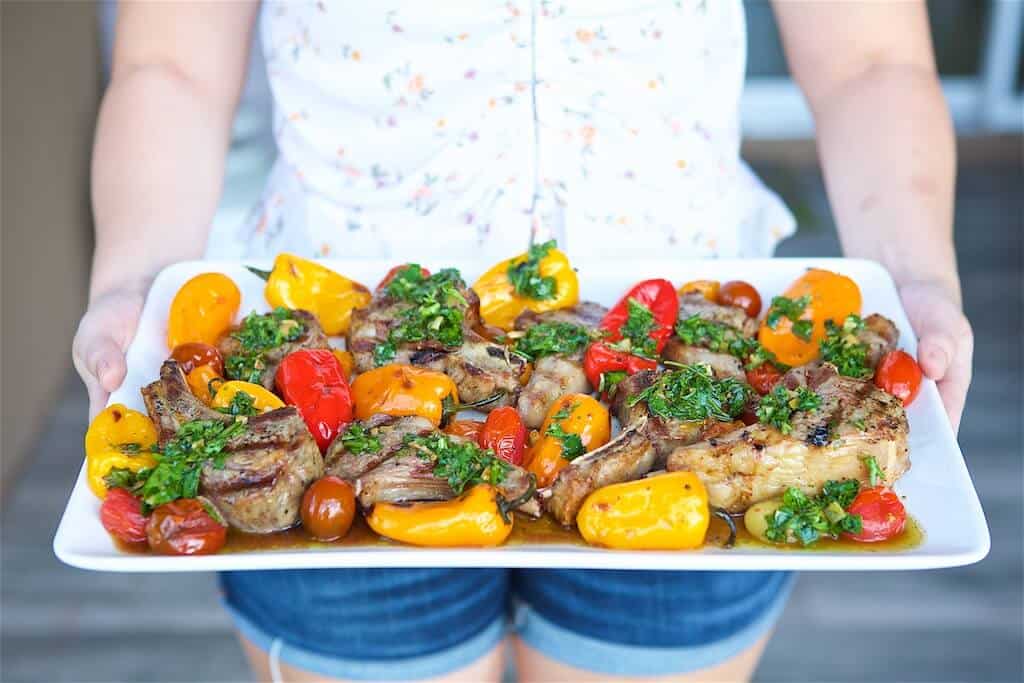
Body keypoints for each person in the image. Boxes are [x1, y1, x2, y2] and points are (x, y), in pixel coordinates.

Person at [73, 2, 973, 681]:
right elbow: (170, 64)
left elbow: (871, 61)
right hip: (332, 385)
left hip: (706, 398)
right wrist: (133, 282)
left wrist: (919, 274)